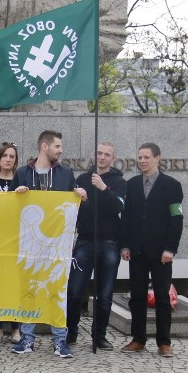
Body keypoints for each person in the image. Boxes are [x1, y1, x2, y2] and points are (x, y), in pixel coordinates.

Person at [10, 130, 87, 359]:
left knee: (57, 292)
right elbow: (10, 208)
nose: (60, 150)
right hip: (29, 245)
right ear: (44, 147)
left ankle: (60, 341)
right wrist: (17, 195)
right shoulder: (23, 173)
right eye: (57, 146)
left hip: (58, 246)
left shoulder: (66, 174)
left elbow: (72, 208)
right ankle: (27, 339)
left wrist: (80, 195)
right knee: (29, 291)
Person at [119, 142, 184, 358]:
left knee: (163, 298)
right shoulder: (132, 184)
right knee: (136, 296)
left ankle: (164, 342)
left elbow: (176, 219)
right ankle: (138, 339)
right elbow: (126, 218)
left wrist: (170, 249)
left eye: (146, 157)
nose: (142, 161)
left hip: (161, 254)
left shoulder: (172, 185)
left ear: (157, 158)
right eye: (140, 157)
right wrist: (125, 245)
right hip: (136, 251)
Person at [65, 142, 126, 351]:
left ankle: (99, 335)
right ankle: (70, 331)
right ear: (94, 155)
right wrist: (84, 200)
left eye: (107, 154)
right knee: (74, 291)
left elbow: (118, 206)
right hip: (85, 241)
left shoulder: (119, 182)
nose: (102, 157)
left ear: (113, 158)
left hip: (109, 242)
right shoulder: (83, 179)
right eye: (99, 153)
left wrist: (104, 188)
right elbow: (78, 212)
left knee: (104, 294)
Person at [0, 142, 19, 342]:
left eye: (12, 156)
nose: (8, 159)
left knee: (15, 283)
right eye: (5, 156)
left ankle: (16, 328)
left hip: (16, 237)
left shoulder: (21, 179)